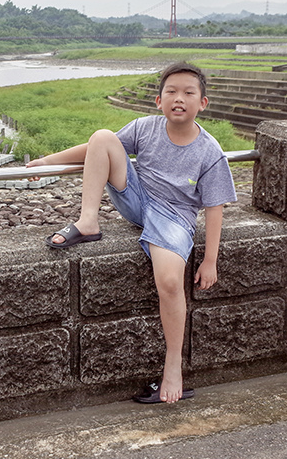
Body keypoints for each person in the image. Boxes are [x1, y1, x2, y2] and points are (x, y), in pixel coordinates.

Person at [27, 61, 237, 404]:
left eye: (188, 92)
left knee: (170, 283)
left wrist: (210, 260)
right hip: (138, 199)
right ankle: (88, 221)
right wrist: (49, 161)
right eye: (171, 91)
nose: (178, 98)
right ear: (158, 100)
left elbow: (215, 207)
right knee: (103, 136)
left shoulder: (210, 151)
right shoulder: (145, 127)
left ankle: (173, 367)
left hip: (174, 217)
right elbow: (97, 150)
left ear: (202, 103)